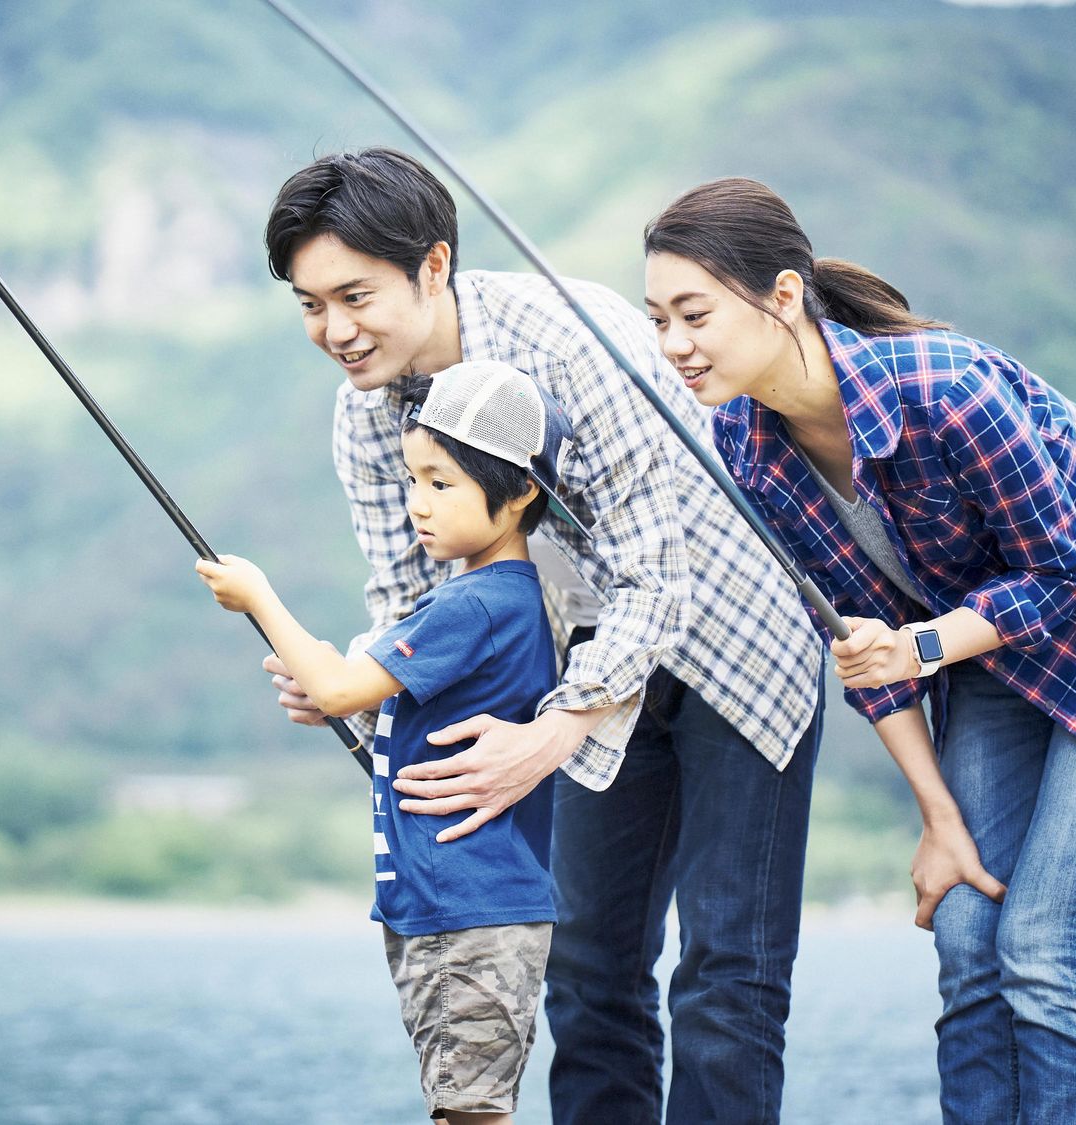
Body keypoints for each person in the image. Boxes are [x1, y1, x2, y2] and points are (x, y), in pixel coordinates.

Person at [641, 176, 1076, 1123]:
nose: (674, 344)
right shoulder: (749, 445)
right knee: (967, 926)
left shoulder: (945, 387)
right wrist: (937, 815)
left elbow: (1060, 574)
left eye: (695, 314)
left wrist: (918, 645)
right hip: (989, 647)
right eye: (658, 319)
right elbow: (864, 649)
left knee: (1050, 944)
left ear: (785, 296)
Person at [260, 148, 825, 1123]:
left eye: (354, 296)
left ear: (431, 267)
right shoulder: (366, 419)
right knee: (585, 970)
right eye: (310, 305)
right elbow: (410, 607)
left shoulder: (568, 342)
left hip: (734, 642)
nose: (336, 331)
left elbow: (655, 576)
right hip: (578, 670)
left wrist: (552, 732)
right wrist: (356, 681)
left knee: (724, 981)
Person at [198, 361, 574, 1123]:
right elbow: (353, 690)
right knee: (466, 1106)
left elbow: (340, 689)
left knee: (470, 1111)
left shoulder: (475, 603)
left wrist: (259, 596)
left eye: (442, 484)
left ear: (522, 491)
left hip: (463, 908)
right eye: (413, 481)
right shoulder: (500, 599)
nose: (417, 505)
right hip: (454, 907)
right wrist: (328, 680)